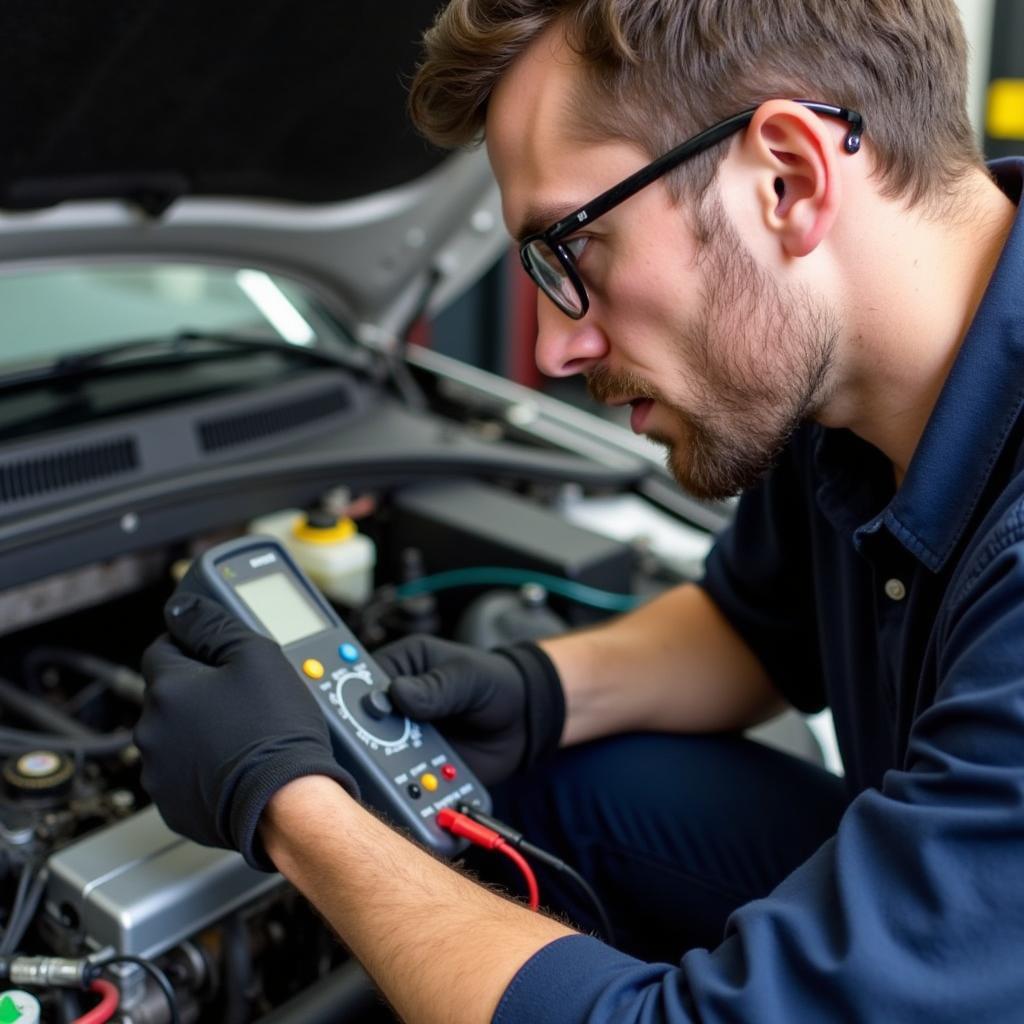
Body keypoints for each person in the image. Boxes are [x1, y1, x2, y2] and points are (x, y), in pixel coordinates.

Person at [135, 1, 1024, 1020]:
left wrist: (289, 806)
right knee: (564, 785)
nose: (554, 351)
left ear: (788, 177)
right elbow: (757, 628)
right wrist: (540, 692)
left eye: (573, 249)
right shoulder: (841, 379)